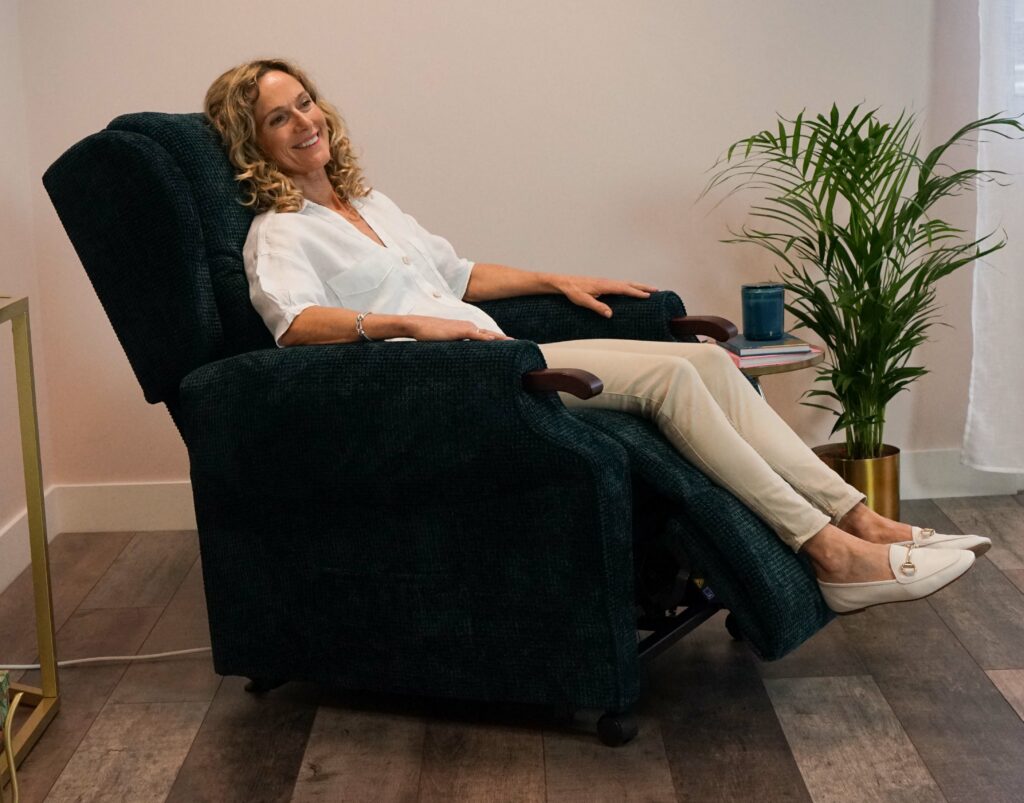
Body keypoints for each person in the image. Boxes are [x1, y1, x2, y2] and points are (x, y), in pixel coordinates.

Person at [204, 58, 990, 614]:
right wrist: (403, 321)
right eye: (280, 116)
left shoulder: (369, 205)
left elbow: (461, 271)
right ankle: (828, 551)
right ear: (255, 141)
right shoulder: (279, 232)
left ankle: (859, 519)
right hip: (456, 387)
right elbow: (294, 324)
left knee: (703, 362)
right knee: (679, 379)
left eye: (306, 102)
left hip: (503, 353)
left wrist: (559, 280)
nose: (306, 121)